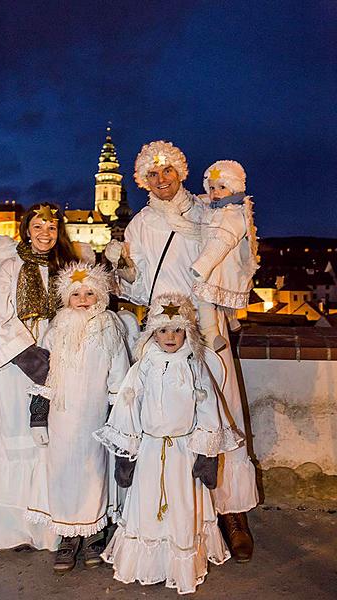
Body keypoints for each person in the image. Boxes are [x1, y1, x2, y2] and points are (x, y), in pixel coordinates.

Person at [105, 141, 258, 562]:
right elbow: (136, 287)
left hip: (204, 324)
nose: (161, 179)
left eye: (167, 171)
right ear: (142, 181)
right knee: (162, 412)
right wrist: (123, 267)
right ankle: (167, 515)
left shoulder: (206, 212)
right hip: (161, 330)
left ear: (181, 172)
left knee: (219, 408)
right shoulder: (139, 224)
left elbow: (233, 252)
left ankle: (231, 513)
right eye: (152, 175)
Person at [94, 293, 242, 595]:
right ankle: (149, 565)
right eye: (163, 330)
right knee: (148, 507)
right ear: (153, 333)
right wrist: (126, 455)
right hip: (149, 450)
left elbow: (208, 408)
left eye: (177, 330)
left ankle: (179, 566)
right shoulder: (143, 367)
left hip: (184, 453)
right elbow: (127, 407)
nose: (170, 337)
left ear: (187, 331)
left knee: (182, 508)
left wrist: (207, 455)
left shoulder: (193, 366)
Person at [0, 203, 86, 551]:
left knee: (49, 441)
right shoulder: (10, 266)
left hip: (56, 359)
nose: (45, 234)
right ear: (26, 230)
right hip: (16, 365)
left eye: (51, 228)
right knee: (14, 436)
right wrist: (27, 354)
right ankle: (9, 530)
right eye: (38, 227)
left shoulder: (66, 269)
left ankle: (46, 529)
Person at [25, 262, 130, 572]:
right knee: (63, 474)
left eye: (89, 292)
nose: (83, 299)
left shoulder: (109, 328)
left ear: (100, 295)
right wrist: (38, 416)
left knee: (94, 472)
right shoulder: (55, 330)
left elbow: (119, 376)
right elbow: (42, 375)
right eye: (76, 294)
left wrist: (117, 418)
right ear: (65, 298)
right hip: (61, 419)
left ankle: (94, 534)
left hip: (96, 419)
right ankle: (68, 536)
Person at [191, 160, 259, 351]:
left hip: (216, 264)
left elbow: (221, 241)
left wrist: (201, 266)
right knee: (222, 292)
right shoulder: (223, 208)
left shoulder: (231, 215)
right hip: (224, 266)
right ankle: (232, 319)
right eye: (211, 187)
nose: (215, 193)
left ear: (234, 189)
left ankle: (211, 334)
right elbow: (207, 203)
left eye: (221, 187)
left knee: (204, 296)